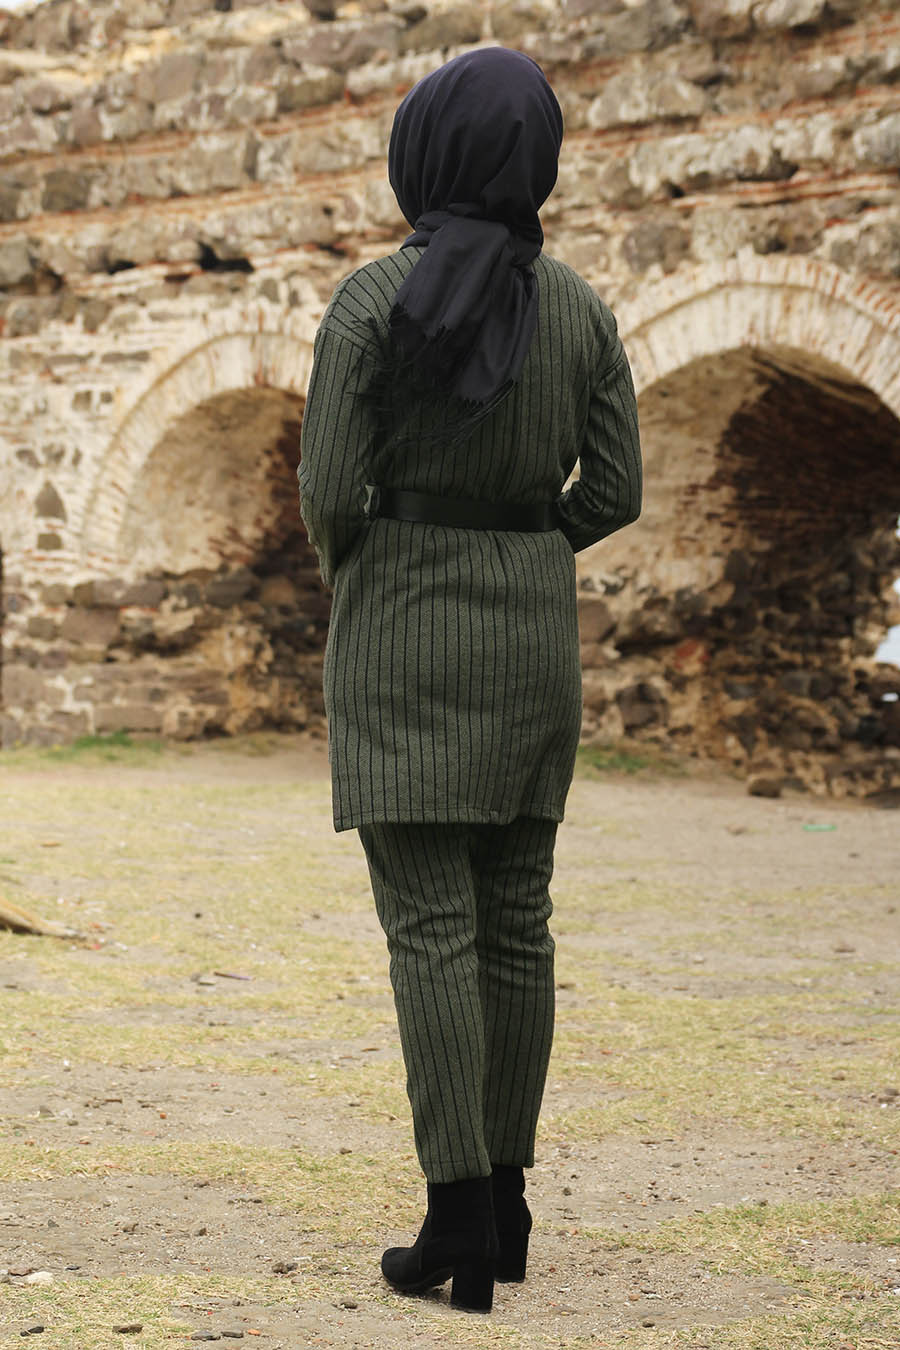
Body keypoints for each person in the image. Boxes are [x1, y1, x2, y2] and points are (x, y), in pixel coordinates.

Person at [298, 47, 642, 1314]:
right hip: (531, 646)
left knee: (429, 928)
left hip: (400, 634)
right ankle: (504, 1204)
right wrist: (521, 549)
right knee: (519, 920)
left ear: (423, 152)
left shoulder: (369, 304)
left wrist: (377, 571)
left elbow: (330, 491)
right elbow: (615, 493)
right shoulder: (586, 312)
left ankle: (451, 1213)